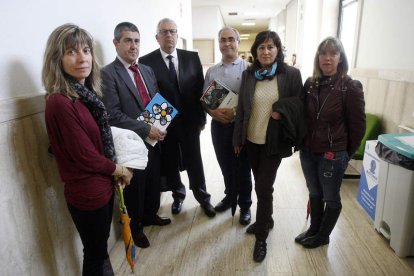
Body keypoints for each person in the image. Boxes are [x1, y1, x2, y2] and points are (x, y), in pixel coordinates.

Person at [43, 23, 133, 275]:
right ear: (56, 59)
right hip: (87, 192)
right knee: (95, 255)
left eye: (86, 50)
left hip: (100, 185)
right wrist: (119, 169)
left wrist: (113, 173)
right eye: (71, 52)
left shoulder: (84, 93)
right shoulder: (60, 101)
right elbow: (84, 155)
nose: (82, 58)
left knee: (99, 251)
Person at [233, 31, 303, 262]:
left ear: (278, 50)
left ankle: (261, 236)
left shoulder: (290, 74)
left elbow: (299, 105)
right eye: (261, 47)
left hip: (274, 141)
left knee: (264, 188)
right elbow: (242, 109)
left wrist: (281, 112)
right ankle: (268, 219)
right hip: (252, 140)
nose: (266, 51)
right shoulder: (249, 74)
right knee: (260, 185)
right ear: (255, 51)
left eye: (270, 47)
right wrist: (237, 139)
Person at [101, 22, 171, 249]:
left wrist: (162, 123)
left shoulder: (146, 70)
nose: (133, 46)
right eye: (128, 40)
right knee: (135, 190)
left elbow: (155, 102)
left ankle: (150, 216)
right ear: (116, 43)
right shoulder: (107, 74)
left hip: (154, 140)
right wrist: (145, 129)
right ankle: (136, 228)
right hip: (131, 144)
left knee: (153, 183)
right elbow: (112, 115)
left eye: (137, 40)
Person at [140, 18, 215, 218]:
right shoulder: (146, 61)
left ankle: (203, 198)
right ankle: (178, 195)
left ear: (177, 35)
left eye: (172, 31)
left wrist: (202, 119)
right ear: (157, 37)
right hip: (165, 124)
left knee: (195, 161)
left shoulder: (191, 57)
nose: (169, 35)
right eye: (164, 32)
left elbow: (200, 88)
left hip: (190, 122)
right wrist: (153, 126)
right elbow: (148, 94)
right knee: (170, 162)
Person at [295, 37, 365, 249]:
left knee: (331, 197)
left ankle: (323, 235)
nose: (327, 58)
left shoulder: (350, 86)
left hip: (333, 154)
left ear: (340, 58)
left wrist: (344, 155)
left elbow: (358, 127)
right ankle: (314, 229)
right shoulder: (310, 83)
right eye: (323, 53)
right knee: (314, 192)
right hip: (308, 151)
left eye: (333, 53)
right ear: (318, 57)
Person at [203, 26, 252, 225]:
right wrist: (212, 112)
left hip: (241, 129)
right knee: (225, 166)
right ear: (219, 44)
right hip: (219, 128)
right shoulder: (212, 71)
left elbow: (254, 101)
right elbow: (204, 100)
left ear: (238, 43)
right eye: (223, 40)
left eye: (231, 39)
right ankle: (230, 196)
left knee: (243, 168)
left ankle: (246, 205)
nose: (227, 43)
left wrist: (237, 113)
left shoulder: (249, 69)